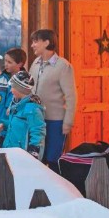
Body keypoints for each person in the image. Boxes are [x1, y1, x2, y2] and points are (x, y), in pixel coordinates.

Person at [28, 29, 77, 172]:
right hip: (36, 121)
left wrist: (68, 122)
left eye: (36, 41)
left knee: (53, 159)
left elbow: (71, 96)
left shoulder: (63, 66)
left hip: (55, 122)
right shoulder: (35, 64)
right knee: (38, 158)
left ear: (47, 42)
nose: (32, 45)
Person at [0, 71, 45, 160]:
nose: (10, 90)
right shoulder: (16, 105)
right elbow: (16, 123)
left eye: (13, 87)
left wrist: (34, 153)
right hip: (10, 150)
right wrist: (4, 125)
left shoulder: (32, 109)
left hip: (23, 155)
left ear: (20, 89)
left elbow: (38, 131)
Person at [0, 47, 27, 149]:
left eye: (9, 62)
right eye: (5, 61)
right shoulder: (0, 79)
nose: (6, 64)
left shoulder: (25, 82)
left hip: (15, 132)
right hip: (0, 130)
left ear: (20, 64)